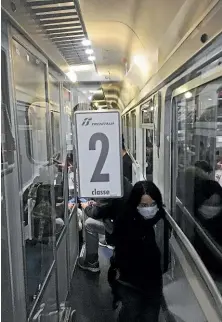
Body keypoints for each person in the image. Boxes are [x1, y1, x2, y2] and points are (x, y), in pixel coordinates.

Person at [110, 181, 165, 321]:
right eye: (144, 205)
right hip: (130, 282)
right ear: (135, 204)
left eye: (153, 204)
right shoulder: (126, 222)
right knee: (131, 314)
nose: (149, 208)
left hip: (153, 283)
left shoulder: (160, 219)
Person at [78, 176, 132, 273]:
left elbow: (97, 213)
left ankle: (91, 262)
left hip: (119, 227)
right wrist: (97, 203)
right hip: (129, 223)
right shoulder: (122, 180)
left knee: (88, 224)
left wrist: (86, 207)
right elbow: (111, 204)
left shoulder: (108, 185)